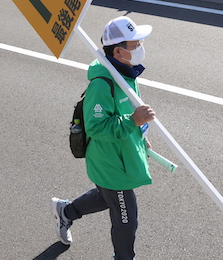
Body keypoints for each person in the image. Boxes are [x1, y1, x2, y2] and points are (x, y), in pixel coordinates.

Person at [50, 15, 157, 260]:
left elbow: (127, 112)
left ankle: (65, 211)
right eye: (135, 44)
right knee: (126, 220)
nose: (140, 48)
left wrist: (139, 135)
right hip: (111, 164)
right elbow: (97, 127)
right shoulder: (102, 83)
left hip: (121, 155)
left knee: (106, 197)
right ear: (118, 51)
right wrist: (134, 122)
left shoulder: (126, 72)